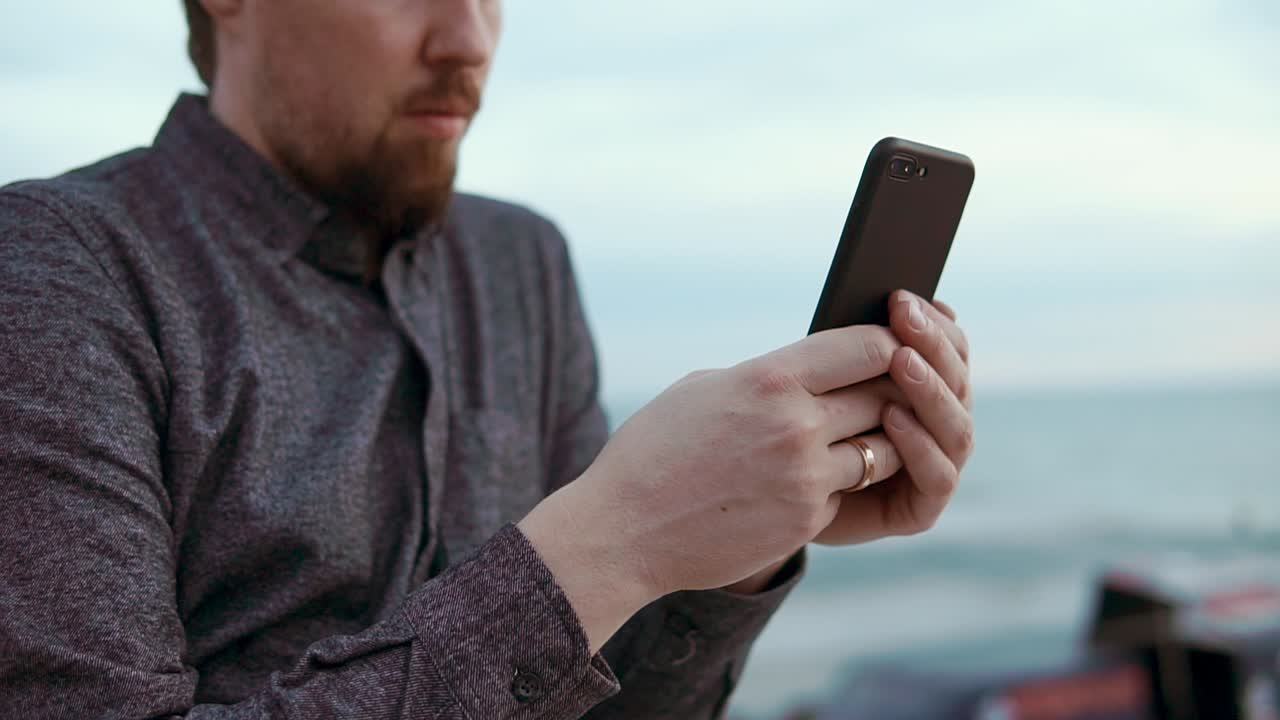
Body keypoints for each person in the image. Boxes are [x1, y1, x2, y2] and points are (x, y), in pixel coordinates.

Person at [0, 1, 975, 718]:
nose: (466, 39)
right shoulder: (53, 270)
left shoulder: (520, 264)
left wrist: (737, 544)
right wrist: (613, 540)